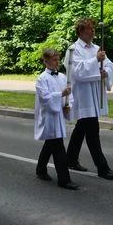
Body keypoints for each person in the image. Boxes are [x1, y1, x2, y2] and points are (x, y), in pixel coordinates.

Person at [63, 18, 113, 180]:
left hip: (95, 93)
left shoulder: (96, 48)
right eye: (89, 29)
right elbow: (77, 71)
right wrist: (96, 61)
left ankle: (70, 159)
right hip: (83, 95)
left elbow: (109, 65)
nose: (93, 32)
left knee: (82, 127)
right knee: (92, 130)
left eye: (94, 29)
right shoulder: (73, 49)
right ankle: (102, 167)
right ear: (81, 31)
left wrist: (106, 72)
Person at [34, 49, 79, 190]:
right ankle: (64, 179)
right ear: (46, 61)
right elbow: (45, 99)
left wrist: (67, 105)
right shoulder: (42, 78)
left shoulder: (62, 77)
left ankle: (40, 169)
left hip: (58, 113)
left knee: (51, 143)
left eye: (58, 59)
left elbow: (69, 95)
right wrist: (61, 94)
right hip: (49, 116)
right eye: (54, 59)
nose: (57, 62)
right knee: (58, 147)